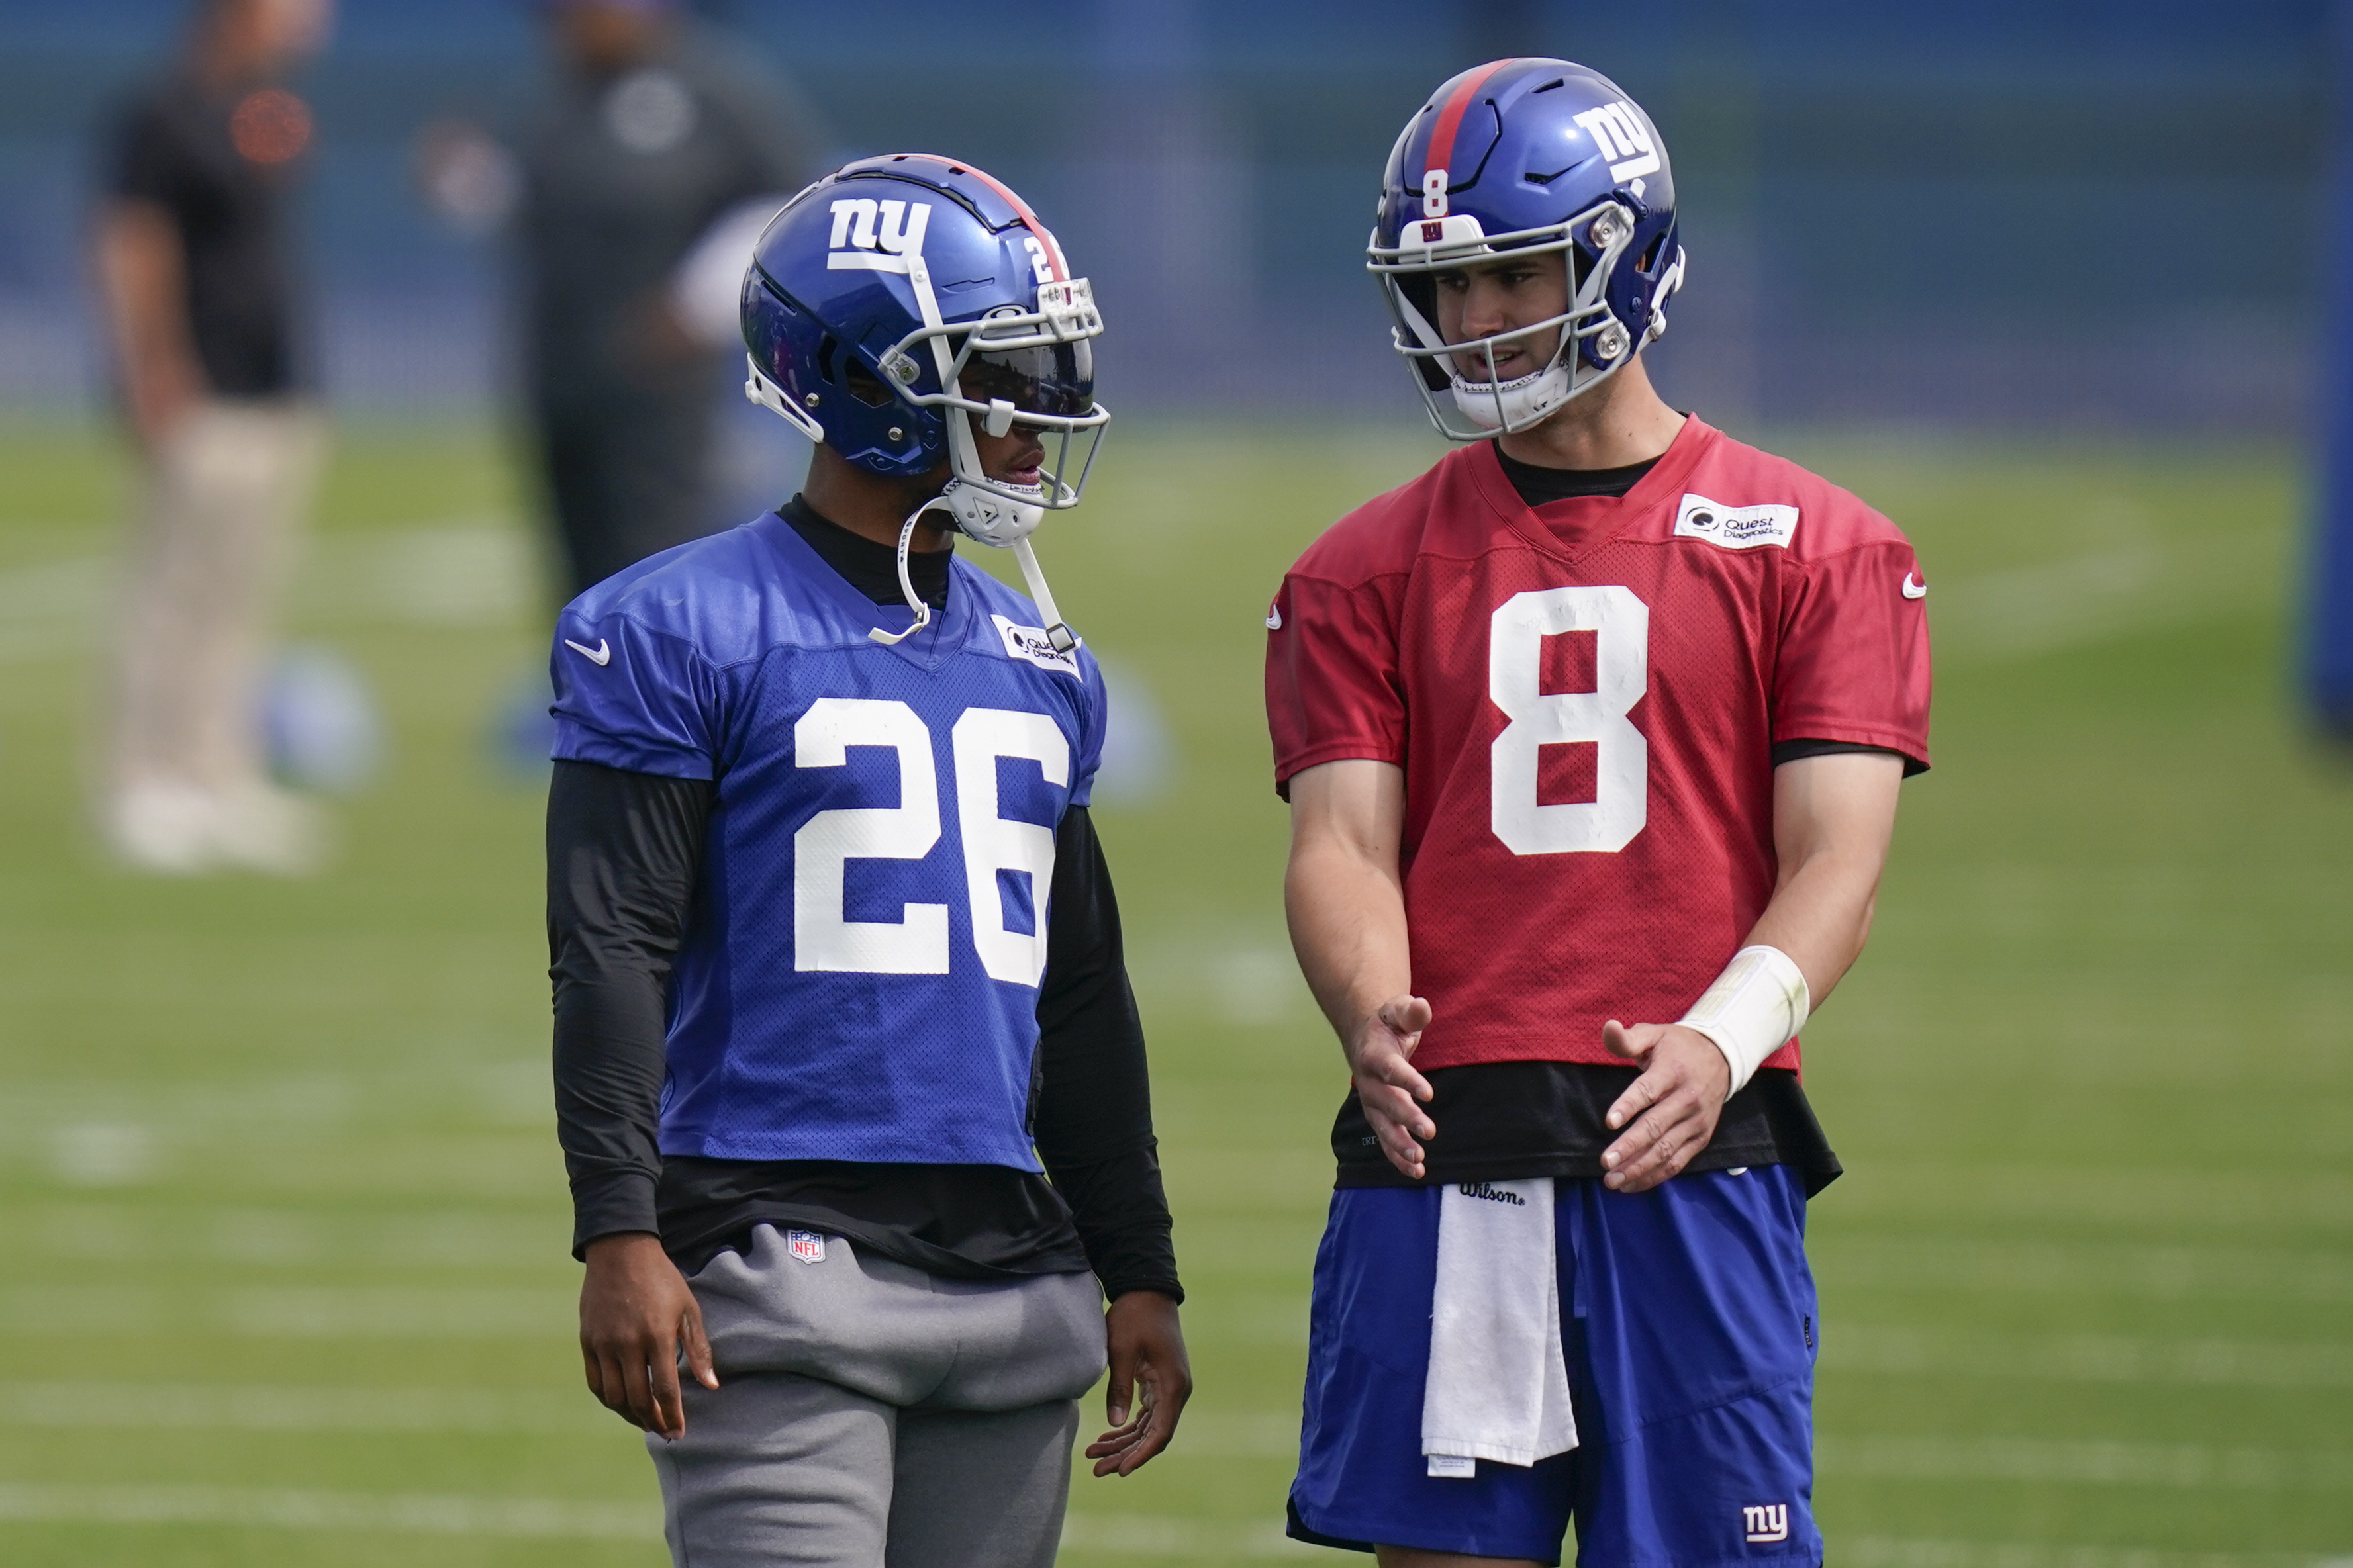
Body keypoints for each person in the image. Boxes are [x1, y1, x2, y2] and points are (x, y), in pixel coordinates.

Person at [1267, 60, 1932, 1568]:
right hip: (1442, 1146)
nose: (1473, 319)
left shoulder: (1816, 544)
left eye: (1511, 271)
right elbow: (1338, 844)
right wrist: (1370, 1006)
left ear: (1622, 253)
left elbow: (1837, 859)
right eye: (1442, 285)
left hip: (1686, 1146)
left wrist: (1720, 1033)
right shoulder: (1351, 570)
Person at [547, 155, 1186, 1568]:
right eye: (1001, 371)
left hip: (1011, 1266)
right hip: (776, 1248)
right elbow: (611, 947)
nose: (1044, 413)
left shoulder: (1040, 659)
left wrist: (1136, 1258)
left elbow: (1077, 988)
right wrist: (617, 1229)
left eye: (1050, 367)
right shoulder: (673, 624)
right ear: (861, 378)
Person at [92, 0, 335, 874]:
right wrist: (151, 362)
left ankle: (214, 772)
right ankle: (143, 779)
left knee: (241, 593)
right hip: (202, 384)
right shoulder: (165, 111)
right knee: (174, 591)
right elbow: (132, 242)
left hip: (274, 385)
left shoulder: (262, 110)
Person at [507, 0, 822, 600]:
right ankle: (593, 686)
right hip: (562, 372)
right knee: (578, 576)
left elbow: (787, 200)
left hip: (663, 387)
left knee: (657, 560)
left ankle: (663, 688)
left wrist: (696, 305)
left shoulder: (712, 87)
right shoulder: (557, 98)